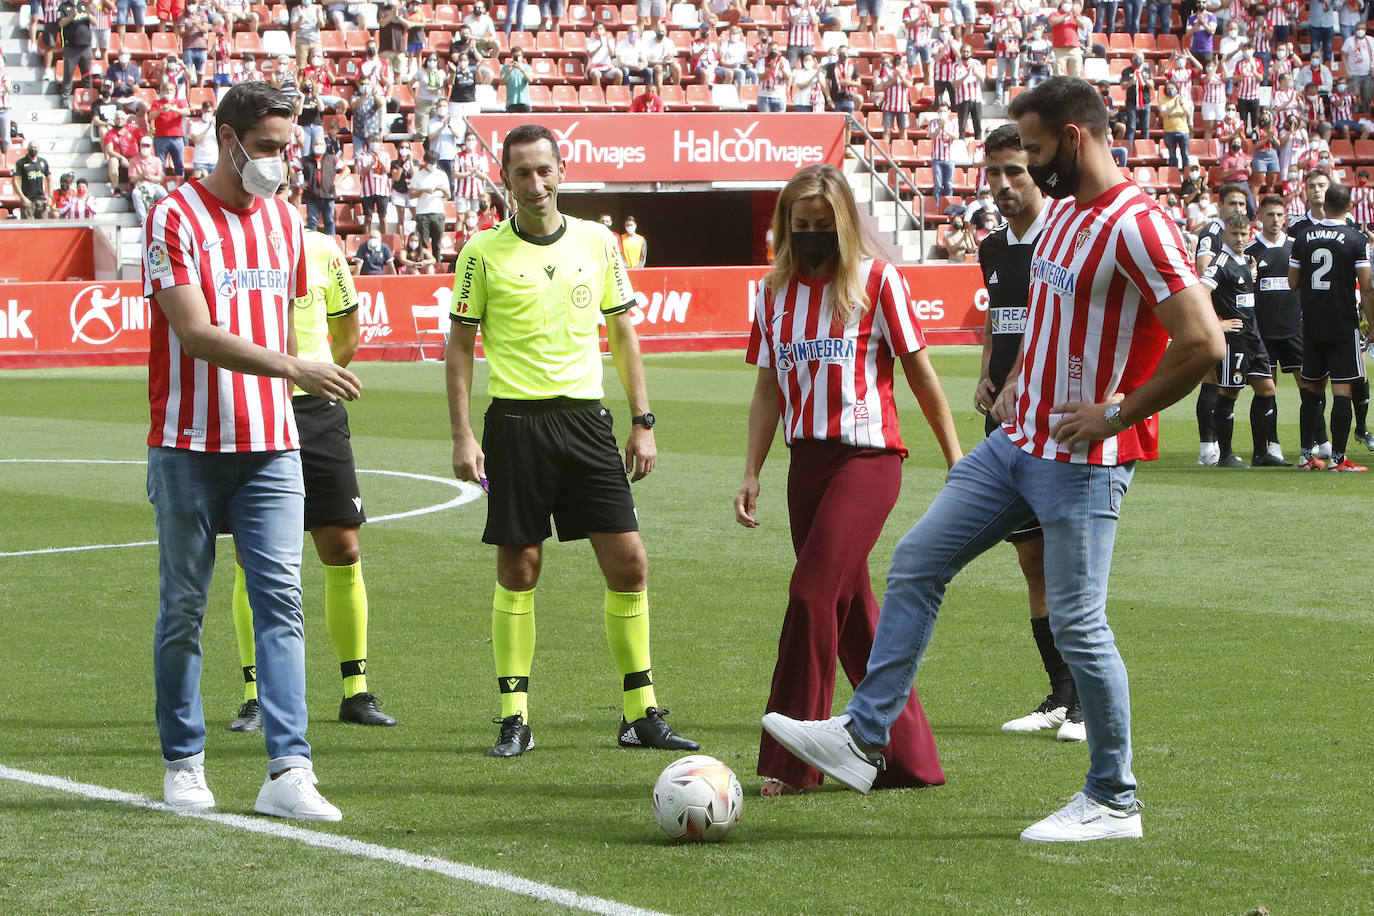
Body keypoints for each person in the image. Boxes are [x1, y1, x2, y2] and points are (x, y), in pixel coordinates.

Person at [761, 76, 1225, 843]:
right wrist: (1013, 383)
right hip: (1016, 444)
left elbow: (1204, 342)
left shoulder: (1138, 225)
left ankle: (1113, 798)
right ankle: (863, 734)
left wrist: (1115, 413)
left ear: (1074, 139)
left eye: (1037, 151)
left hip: (1082, 458)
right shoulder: (1068, 213)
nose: (1030, 168)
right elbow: (1050, 313)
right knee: (916, 561)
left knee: (1078, 624)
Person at [445, 123, 699, 758]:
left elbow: (623, 336)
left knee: (629, 562)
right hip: (516, 424)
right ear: (505, 178)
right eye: (523, 173)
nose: (536, 183)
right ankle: (514, 716)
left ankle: (640, 712)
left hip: (587, 423)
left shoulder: (598, 242)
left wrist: (643, 422)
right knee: (520, 567)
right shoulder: (480, 254)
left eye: (545, 170)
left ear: (563, 172)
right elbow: (459, 346)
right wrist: (462, 433)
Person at [143, 80, 359, 820]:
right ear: (226, 138)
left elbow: (287, 311)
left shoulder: (286, 222)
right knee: (183, 606)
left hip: (272, 444)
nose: (280, 162)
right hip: (187, 444)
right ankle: (184, 760)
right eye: (267, 147)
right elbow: (195, 332)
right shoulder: (172, 216)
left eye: (287, 148)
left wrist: (301, 369)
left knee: (282, 605)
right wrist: (296, 368)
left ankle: (289, 770)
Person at [735, 164, 959, 797]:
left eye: (821, 226)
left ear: (844, 224)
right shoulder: (771, 294)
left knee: (810, 596)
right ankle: (909, 758)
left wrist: (956, 458)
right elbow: (767, 386)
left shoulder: (879, 282)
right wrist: (752, 469)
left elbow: (921, 374)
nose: (809, 237)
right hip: (804, 464)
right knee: (853, 612)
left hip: (867, 461)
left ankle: (793, 761)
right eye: (798, 226)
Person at [226, 225, 395, 734]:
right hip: (253, 409)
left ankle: (355, 691)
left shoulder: (323, 249)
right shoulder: (233, 244)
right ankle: (255, 695)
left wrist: (313, 377)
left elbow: (347, 333)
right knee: (250, 553)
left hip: (315, 413)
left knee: (343, 547)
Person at [972, 124, 1086, 742]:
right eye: (994, 174)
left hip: (1053, 419)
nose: (1004, 185)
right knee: (1032, 563)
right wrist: (986, 375)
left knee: (1069, 564)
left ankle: (1084, 702)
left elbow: (1051, 325)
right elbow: (1001, 317)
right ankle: (1059, 694)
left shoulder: (1064, 236)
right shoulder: (992, 247)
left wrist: (1017, 377)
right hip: (1005, 419)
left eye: (1015, 171)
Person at [1288, 182, 1374, 471]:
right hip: (1342, 322)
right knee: (1342, 390)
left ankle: (1305, 455)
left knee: (1312, 390)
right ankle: (1338, 458)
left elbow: (1292, 281)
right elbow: (1367, 285)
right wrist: (1372, 325)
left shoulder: (1303, 236)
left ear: (1323, 205)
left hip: (1311, 323)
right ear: (1349, 207)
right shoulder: (1355, 238)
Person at [1200, 211, 1286, 467]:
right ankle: (1225, 455)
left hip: (1253, 337)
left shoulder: (1244, 260)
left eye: (1243, 234)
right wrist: (1217, 323)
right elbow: (1201, 293)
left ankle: (1261, 453)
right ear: (1225, 234)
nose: (1239, 238)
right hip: (1234, 339)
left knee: (1267, 388)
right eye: (1234, 234)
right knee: (1229, 392)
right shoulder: (1220, 262)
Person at [410, 149, 451, 265]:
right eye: (430, 162)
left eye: (434, 162)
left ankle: (437, 264)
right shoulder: (418, 176)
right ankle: (424, 265)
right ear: (425, 161)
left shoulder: (441, 175)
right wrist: (422, 191)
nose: (432, 165)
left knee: (437, 243)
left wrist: (441, 188)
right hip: (423, 213)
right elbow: (411, 194)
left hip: (438, 212)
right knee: (423, 243)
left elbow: (448, 194)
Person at [57, 0, 95, 104]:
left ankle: (89, 98)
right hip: (71, 47)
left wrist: (88, 14)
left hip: (86, 47)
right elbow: (60, 23)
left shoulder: (84, 5)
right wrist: (71, 17)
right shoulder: (63, 7)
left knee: (87, 75)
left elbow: (95, 22)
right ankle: (64, 98)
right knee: (68, 75)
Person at [15, 142, 52, 219]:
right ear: (28, 149)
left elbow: (49, 178)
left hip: (41, 199)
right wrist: (22, 197)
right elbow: (14, 180)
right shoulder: (21, 162)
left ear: (38, 149)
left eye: (35, 147)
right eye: (31, 147)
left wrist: (50, 196)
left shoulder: (43, 162)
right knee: (27, 227)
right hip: (28, 200)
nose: (33, 149)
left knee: (43, 226)